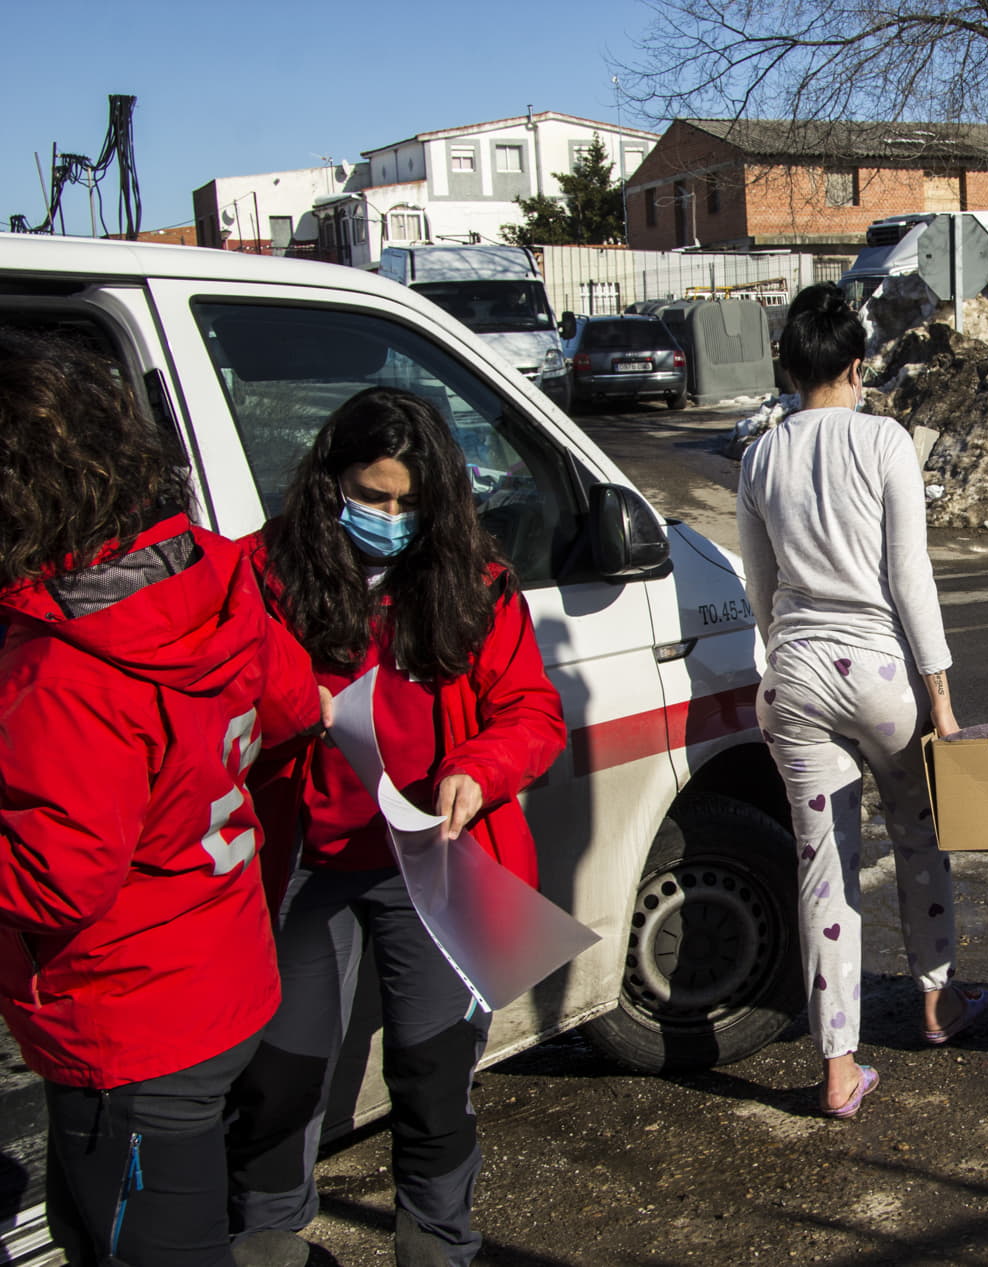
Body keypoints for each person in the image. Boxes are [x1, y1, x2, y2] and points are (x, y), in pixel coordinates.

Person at [223, 388, 566, 1267]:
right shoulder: (263, 576)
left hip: (429, 858)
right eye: (371, 496)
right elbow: (217, 703)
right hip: (301, 859)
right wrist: (292, 708)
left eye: (408, 501)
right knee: (284, 1068)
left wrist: (476, 769)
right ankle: (267, 1232)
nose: (389, 517)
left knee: (434, 1068)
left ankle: (437, 1239)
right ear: (329, 481)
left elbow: (531, 712)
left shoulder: (474, 580)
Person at [0, 331, 321, 1265]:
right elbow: (296, 702)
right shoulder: (210, 572)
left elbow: (54, 879)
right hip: (222, 963)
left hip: (131, 1021)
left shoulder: (60, 667)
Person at [737, 283, 988, 1118]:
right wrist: (942, 698)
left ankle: (839, 1067)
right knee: (920, 837)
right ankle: (936, 1001)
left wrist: (779, 666)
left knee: (823, 867)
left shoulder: (761, 455)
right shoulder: (883, 441)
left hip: (797, 674)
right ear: (856, 365)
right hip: (881, 676)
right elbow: (909, 577)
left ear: (788, 369)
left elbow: (761, 584)